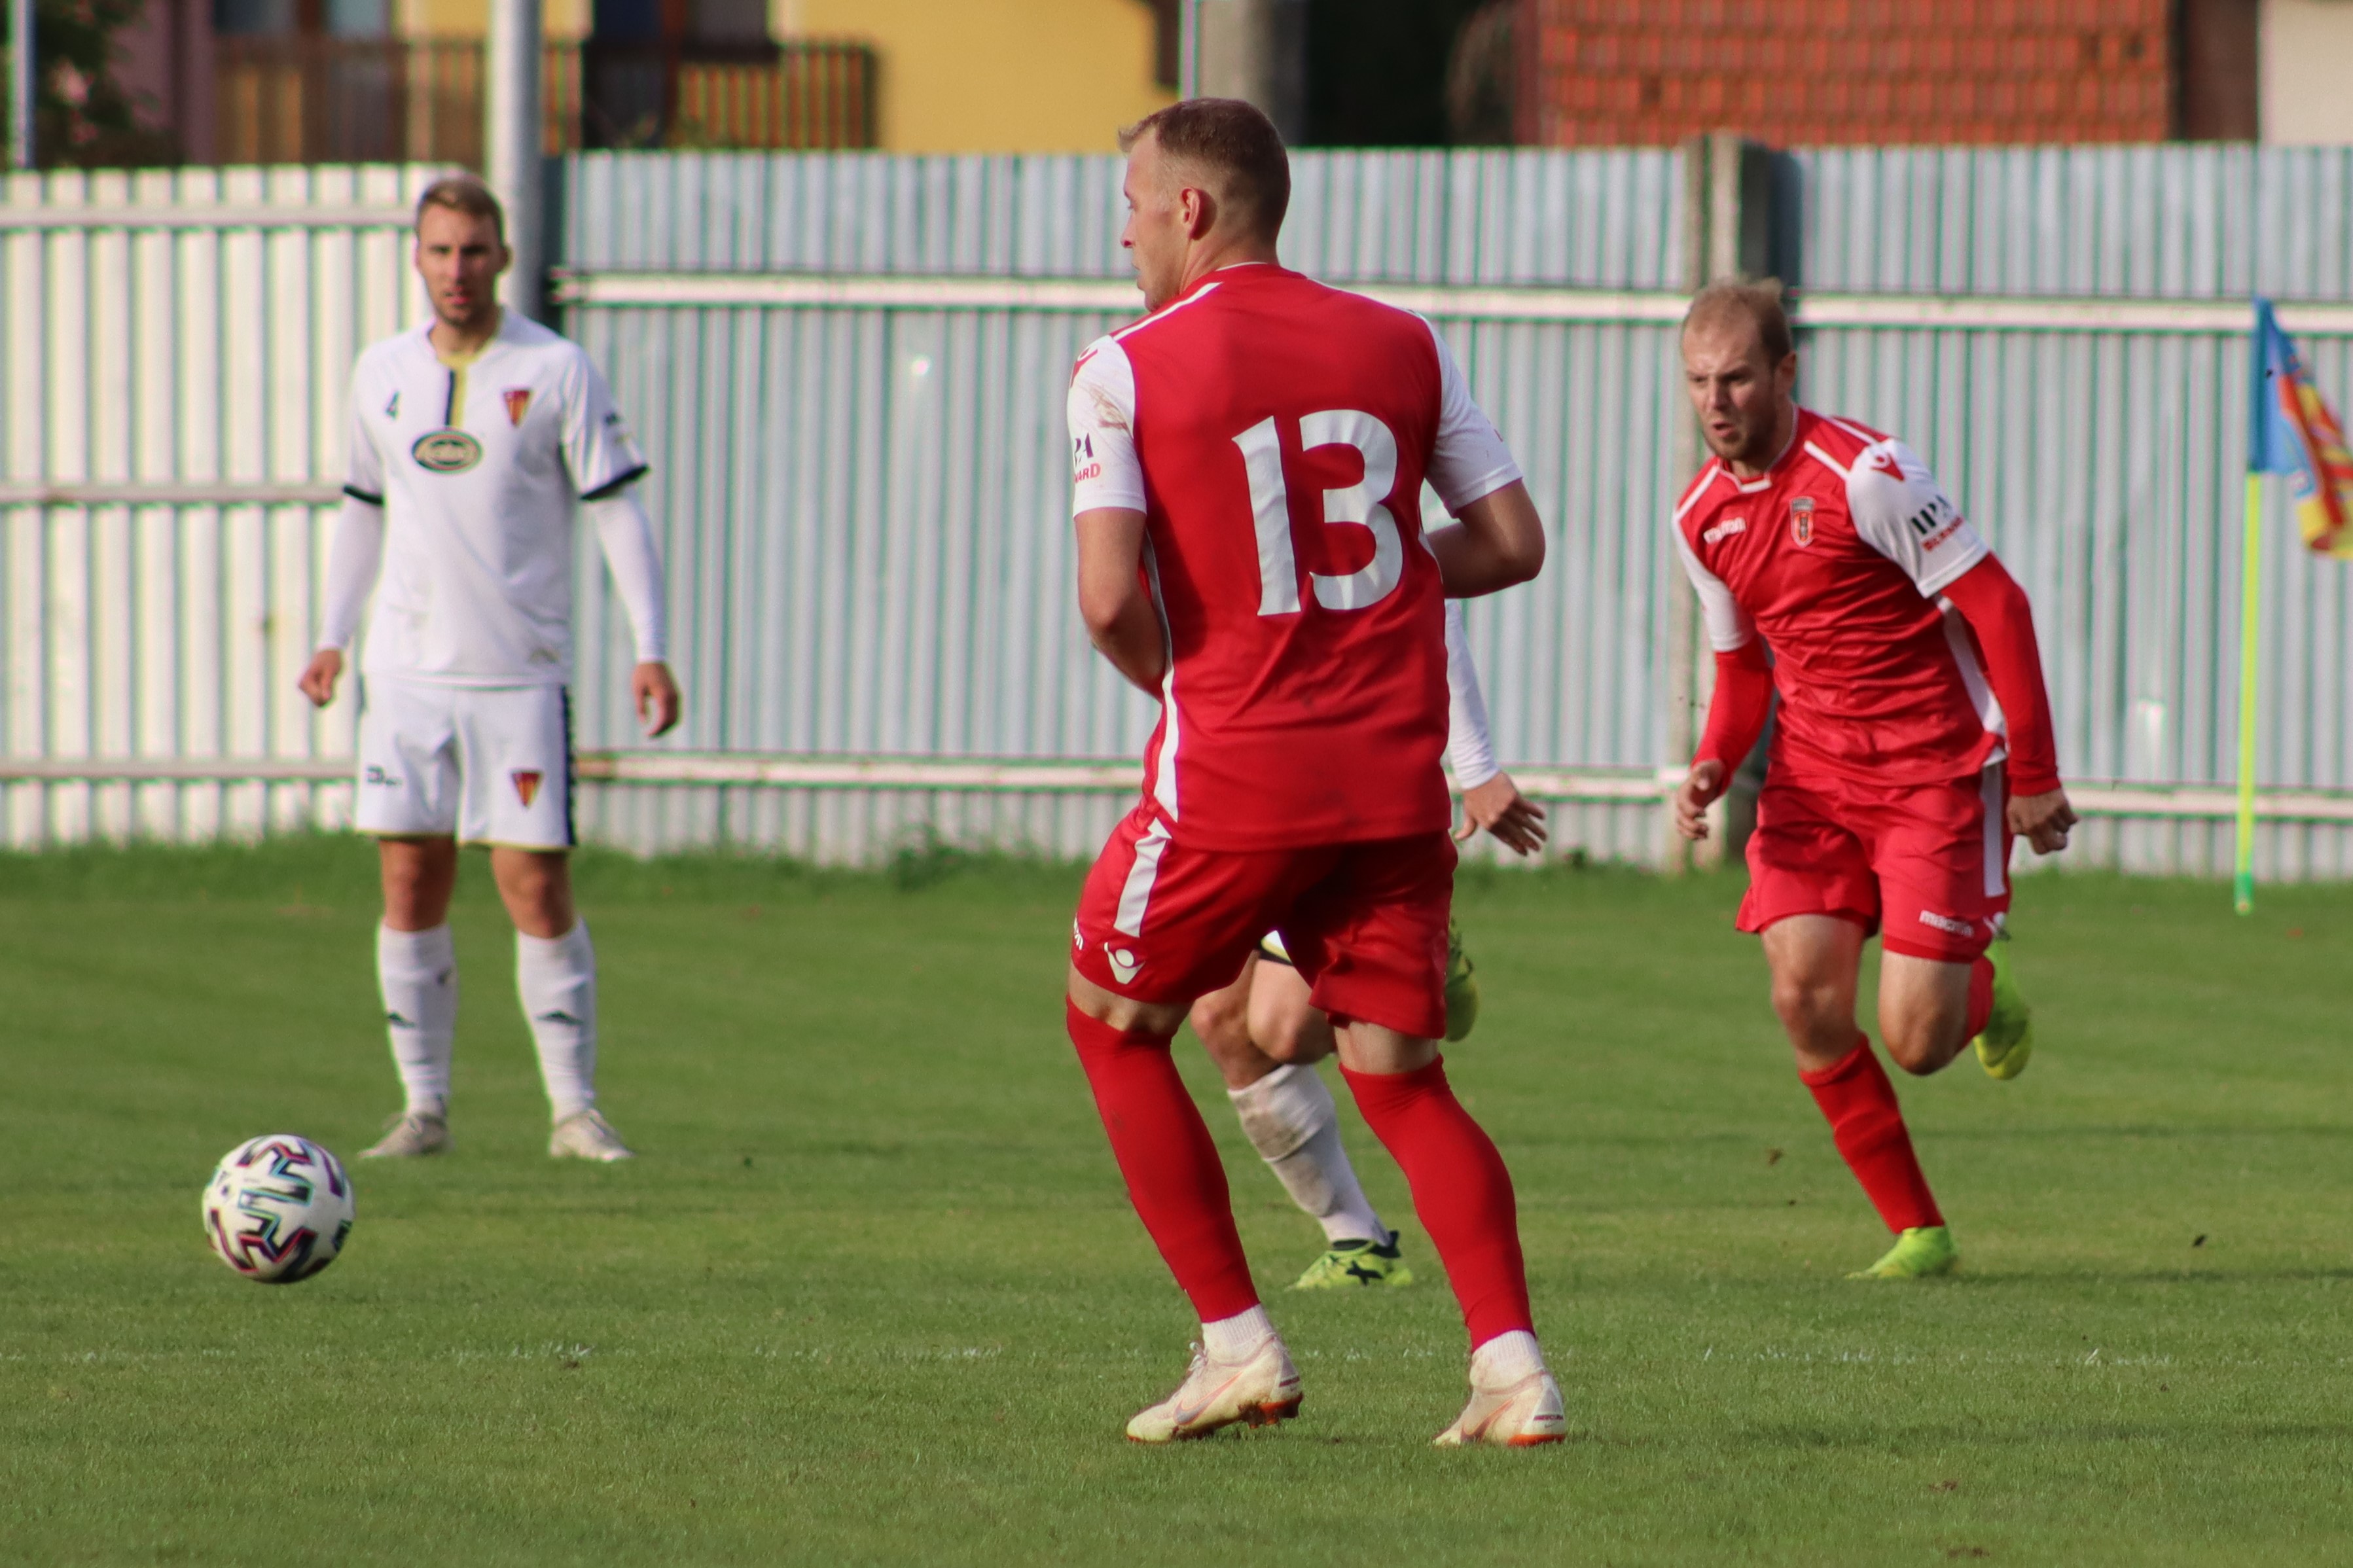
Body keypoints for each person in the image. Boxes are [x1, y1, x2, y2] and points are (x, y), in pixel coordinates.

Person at [1064, 97, 1563, 1446]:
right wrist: (1372, 593)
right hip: (1393, 778)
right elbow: (1512, 542)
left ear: (1190, 208)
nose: (1122, 234)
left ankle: (1238, 1346)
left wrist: (1206, 678)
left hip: (1239, 769)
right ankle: (1513, 1371)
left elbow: (1107, 601)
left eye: (1131, 206)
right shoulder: (1402, 341)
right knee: (1400, 1074)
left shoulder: (1120, 369)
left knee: (1110, 1021)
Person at [1670, 277, 2074, 1280]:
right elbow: (1742, 666)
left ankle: (1982, 983)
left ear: (1784, 372)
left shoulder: (1866, 474)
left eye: (1735, 379)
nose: (1715, 402)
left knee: (1917, 1041)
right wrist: (1714, 760)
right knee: (1802, 1000)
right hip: (1810, 783)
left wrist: (2033, 774)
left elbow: (1999, 605)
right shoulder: (1698, 516)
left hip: (1930, 774)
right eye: (1697, 382)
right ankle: (1918, 1233)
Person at [298, 175, 679, 1164]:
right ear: (417, 259)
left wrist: (650, 646)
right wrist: (333, 635)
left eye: (474, 250)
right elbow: (361, 511)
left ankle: (573, 1113)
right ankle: (422, 1112)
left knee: (534, 887)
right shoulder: (380, 372)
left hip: (519, 672)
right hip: (406, 675)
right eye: (440, 251)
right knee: (408, 880)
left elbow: (616, 509)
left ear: (503, 257)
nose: (457, 270)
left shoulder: (555, 369)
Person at [1191, 599, 1547, 1292]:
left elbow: (1445, 589)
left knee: (1287, 1031)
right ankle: (1358, 1242)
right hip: (1241, 774)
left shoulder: (1341, 532)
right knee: (1221, 1021)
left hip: (1335, 782)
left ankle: (1425, 951)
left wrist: (1476, 765)